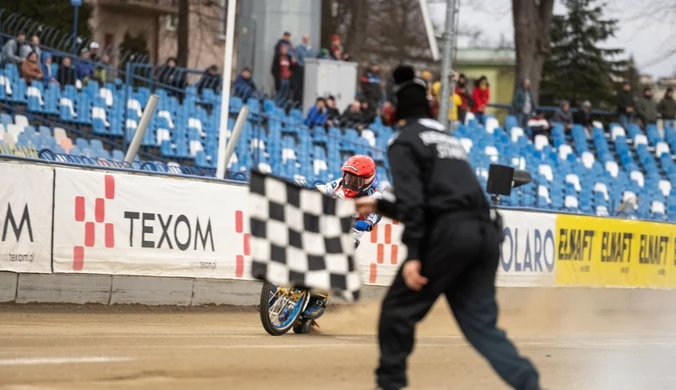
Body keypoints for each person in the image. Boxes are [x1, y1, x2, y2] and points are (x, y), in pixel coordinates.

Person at [354, 64, 541, 390]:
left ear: (395, 110)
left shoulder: (404, 141)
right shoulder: (448, 139)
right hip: (485, 236)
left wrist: (414, 255)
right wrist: (381, 205)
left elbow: (416, 205)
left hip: (450, 236)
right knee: (482, 328)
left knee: (396, 314)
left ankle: (390, 385)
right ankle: (530, 384)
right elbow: (442, 201)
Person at [294, 155, 383, 334]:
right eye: (348, 177)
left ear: (367, 181)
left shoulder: (375, 196)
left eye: (356, 180)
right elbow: (322, 189)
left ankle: (319, 298)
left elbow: (376, 214)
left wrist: (368, 223)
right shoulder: (339, 184)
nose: (350, 182)